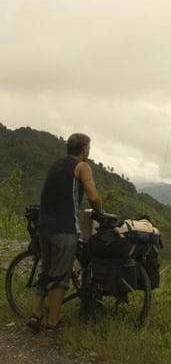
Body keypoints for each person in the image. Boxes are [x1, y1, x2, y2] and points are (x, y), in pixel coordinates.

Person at [27, 133, 103, 332]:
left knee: (46, 272)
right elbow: (93, 196)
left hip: (44, 227)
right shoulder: (82, 166)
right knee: (60, 277)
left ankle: (36, 315)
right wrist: (100, 212)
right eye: (89, 148)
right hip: (64, 229)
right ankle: (53, 323)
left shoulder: (56, 164)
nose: (89, 151)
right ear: (84, 149)